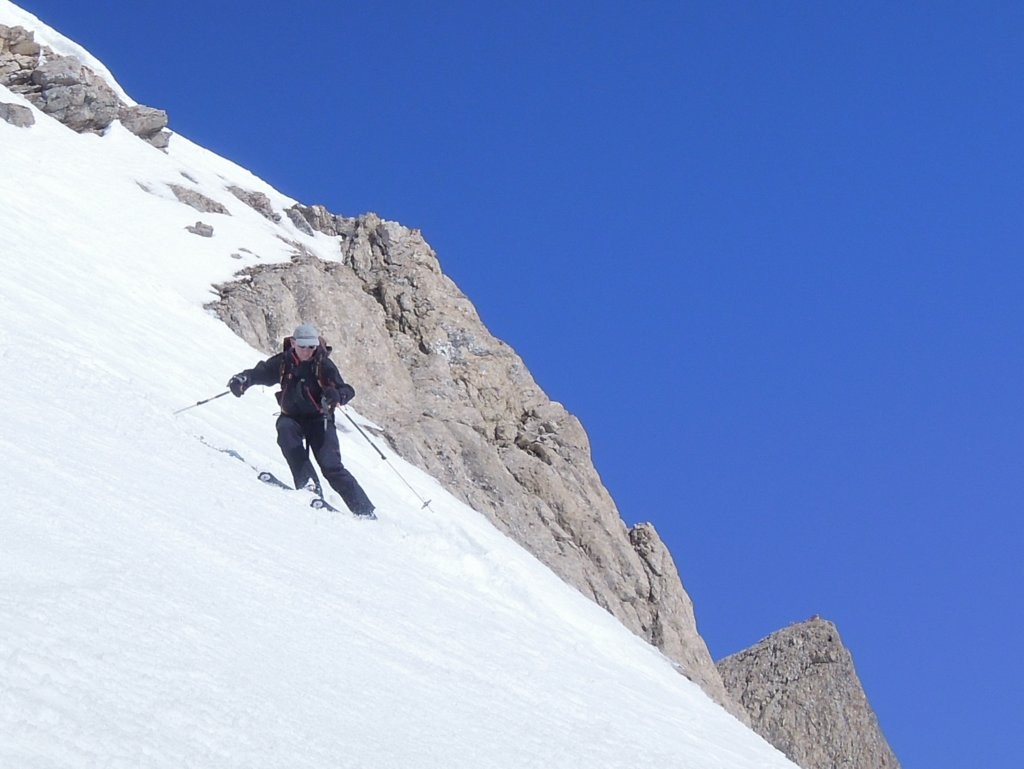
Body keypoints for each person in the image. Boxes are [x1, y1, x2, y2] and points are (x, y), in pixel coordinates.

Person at [227, 323, 376, 518]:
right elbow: (262, 373)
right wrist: (243, 379)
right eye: (303, 346)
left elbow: (347, 390)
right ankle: (308, 484)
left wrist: (336, 395)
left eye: (311, 347)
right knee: (285, 431)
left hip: (320, 420)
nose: (307, 351)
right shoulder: (284, 362)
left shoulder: (323, 365)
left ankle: (365, 511)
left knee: (331, 466)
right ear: (294, 343)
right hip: (292, 418)